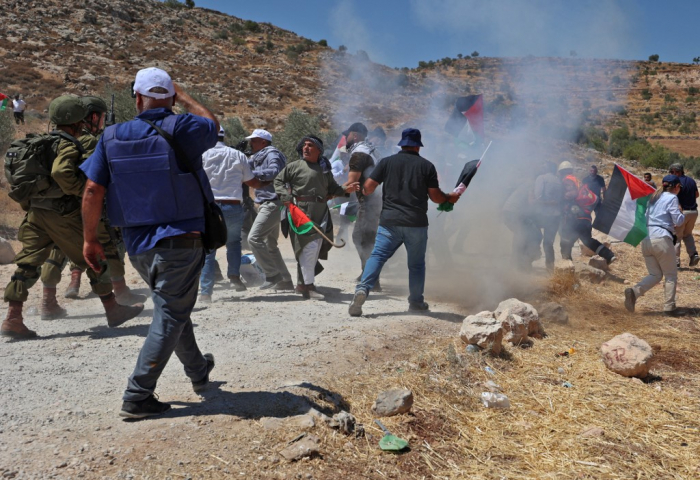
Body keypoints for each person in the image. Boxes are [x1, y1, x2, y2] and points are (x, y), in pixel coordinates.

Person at [81, 67, 217, 418]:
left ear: (137, 98)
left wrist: (89, 238)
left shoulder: (111, 136)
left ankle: (199, 371)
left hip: (137, 245)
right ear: (170, 97)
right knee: (172, 310)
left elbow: (94, 189)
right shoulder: (184, 126)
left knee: (172, 306)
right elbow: (212, 124)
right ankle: (138, 395)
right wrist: (183, 96)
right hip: (181, 241)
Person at [1, 96, 143, 339]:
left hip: (37, 213)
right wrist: (82, 190)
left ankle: (13, 317)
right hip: (64, 214)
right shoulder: (69, 143)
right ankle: (113, 309)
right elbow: (61, 171)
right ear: (79, 120)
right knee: (94, 256)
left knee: (27, 263)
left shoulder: (40, 143)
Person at [39, 95, 145, 313]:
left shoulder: (58, 138)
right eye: (102, 117)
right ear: (94, 116)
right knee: (108, 245)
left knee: (58, 249)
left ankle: (49, 299)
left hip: (56, 207)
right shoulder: (89, 141)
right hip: (86, 203)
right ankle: (119, 292)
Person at [348, 128, 461, 317]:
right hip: (416, 223)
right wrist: (450, 197)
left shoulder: (386, 162)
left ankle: (362, 290)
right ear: (418, 146)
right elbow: (436, 198)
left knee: (377, 257)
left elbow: (368, 188)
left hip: (389, 222)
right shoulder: (427, 166)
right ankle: (416, 302)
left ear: (402, 144)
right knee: (416, 265)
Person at [274, 135, 358, 299]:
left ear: (318, 150)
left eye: (310, 145)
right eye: (304, 145)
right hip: (300, 211)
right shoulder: (294, 166)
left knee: (309, 248)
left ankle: (301, 284)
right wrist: (285, 198)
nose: (306, 148)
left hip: (321, 212)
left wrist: (346, 190)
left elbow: (333, 189)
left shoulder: (324, 169)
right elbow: (278, 181)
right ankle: (309, 286)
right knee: (307, 247)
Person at [198, 126, 268, 303]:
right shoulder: (238, 155)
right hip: (233, 205)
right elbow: (250, 181)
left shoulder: (201, 155)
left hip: (210, 208)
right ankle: (235, 277)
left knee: (209, 249)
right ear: (223, 136)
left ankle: (206, 292)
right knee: (234, 243)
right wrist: (267, 183)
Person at [625, 175, 685, 315]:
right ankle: (669, 307)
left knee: (655, 274)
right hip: (662, 238)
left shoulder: (653, 198)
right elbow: (679, 221)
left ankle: (634, 292)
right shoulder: (672, 198)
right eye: (679, 188)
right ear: (676, 187)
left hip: (646, 239)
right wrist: (681, 213)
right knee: (670, 275)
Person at [246, 129, 295, 291]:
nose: (250, 144)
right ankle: (285, 280)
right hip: (269, 203)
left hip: (273, 203)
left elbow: (275, 172)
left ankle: (272, 275)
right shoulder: (259, 156)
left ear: (263, 142)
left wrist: (252, 173)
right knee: (270, 245)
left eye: (254, 141)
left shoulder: (272, 154)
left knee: (254, 238)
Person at [344, 122, 383, 288]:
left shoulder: (359, 153)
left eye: (347, 136)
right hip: (376, 200)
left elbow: (351, 183)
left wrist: (328, 192)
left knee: (362, 238)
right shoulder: (370, 150)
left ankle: (371, 278)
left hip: (370, 202)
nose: (345, 139)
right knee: (367, 237)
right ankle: (368, 272)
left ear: (355, 135)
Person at [558, 161, 616, 264]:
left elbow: (572, 193)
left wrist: (562, 197)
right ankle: (609, 255)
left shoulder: (567, 180)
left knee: (565, 242)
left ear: (562, 172)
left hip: (576, 218)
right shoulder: (577, 180)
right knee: (588, 241)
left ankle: (567, 268)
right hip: (585, 217)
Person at [502, 176, 541, 271]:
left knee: (521, 236)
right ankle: (520, 264)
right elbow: (531, 202)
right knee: (527, 236)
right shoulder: (532, 185)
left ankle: (518, 263)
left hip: (509, 212)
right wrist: (541, 201)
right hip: (513, 213)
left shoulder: (525, 184)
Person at [534, 161, 564, 271]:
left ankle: (529, 258)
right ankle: (550, 268)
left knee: (531, 234)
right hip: (555, 216)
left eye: (543, 167)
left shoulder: (541, 178)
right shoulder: (559, 181)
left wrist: (545, 203)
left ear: (547, 169)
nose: (541, 169)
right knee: (548, 242)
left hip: (542, 214)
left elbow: (538, 197)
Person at [668, 163, 699, 267]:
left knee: (677, 237)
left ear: (677, 171)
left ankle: (675, 262)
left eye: (672, 172)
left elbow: (673, 197)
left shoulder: (676, 182)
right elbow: (697, 194)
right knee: (688, 234)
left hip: (682, 212)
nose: (671, 174)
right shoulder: (691, 180)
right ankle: (693, 255)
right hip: (694, 212)